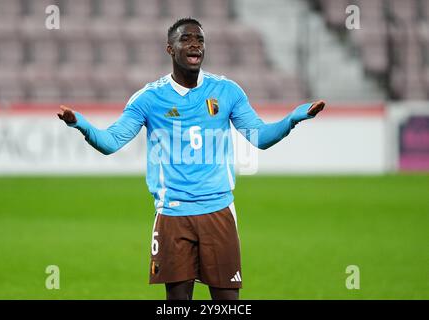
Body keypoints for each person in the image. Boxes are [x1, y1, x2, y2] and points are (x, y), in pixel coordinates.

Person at [57, 17, 325, 300]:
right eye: (186, 39)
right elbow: (111, 142)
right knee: (177, 303)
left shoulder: (227, 91)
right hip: (173, 213)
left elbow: (260, 137)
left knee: (227, 302)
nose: (195, 44)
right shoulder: (148, 99)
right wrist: (81, 125)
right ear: (170, 49)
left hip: (218, 210)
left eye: (199, 39)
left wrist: (292, 120)